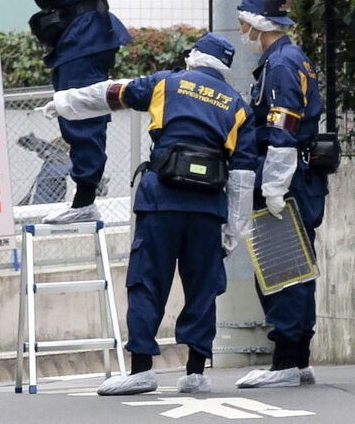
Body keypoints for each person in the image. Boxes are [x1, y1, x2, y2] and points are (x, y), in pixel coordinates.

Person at [37, 33, 257, 395]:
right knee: (202, 288)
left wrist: (64, 103)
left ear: (194, 58)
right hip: (207, 209)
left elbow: (111, 93)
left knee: (147, 283)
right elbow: (243, 174)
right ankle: (195, 372)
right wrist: (235, 229)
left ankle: (141, 370)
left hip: (162, 202)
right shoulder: (237, 105)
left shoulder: (167, 84)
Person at [0, 0, 130, 224]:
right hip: (76, 34)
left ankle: (84, 199)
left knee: (82, 111)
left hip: (85, 34)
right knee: (72, 111)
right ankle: (83, 198)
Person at [231, 0, 329, 388]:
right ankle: (297, 359)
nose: (241, 31)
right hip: (299, 178)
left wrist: (273, 187)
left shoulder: (282, 65)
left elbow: (282, 131)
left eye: (243, 24)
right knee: (297, 270)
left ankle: (285, 362)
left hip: (286, 179)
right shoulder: (289, 59)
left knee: (281, 269)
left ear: (257, 25)